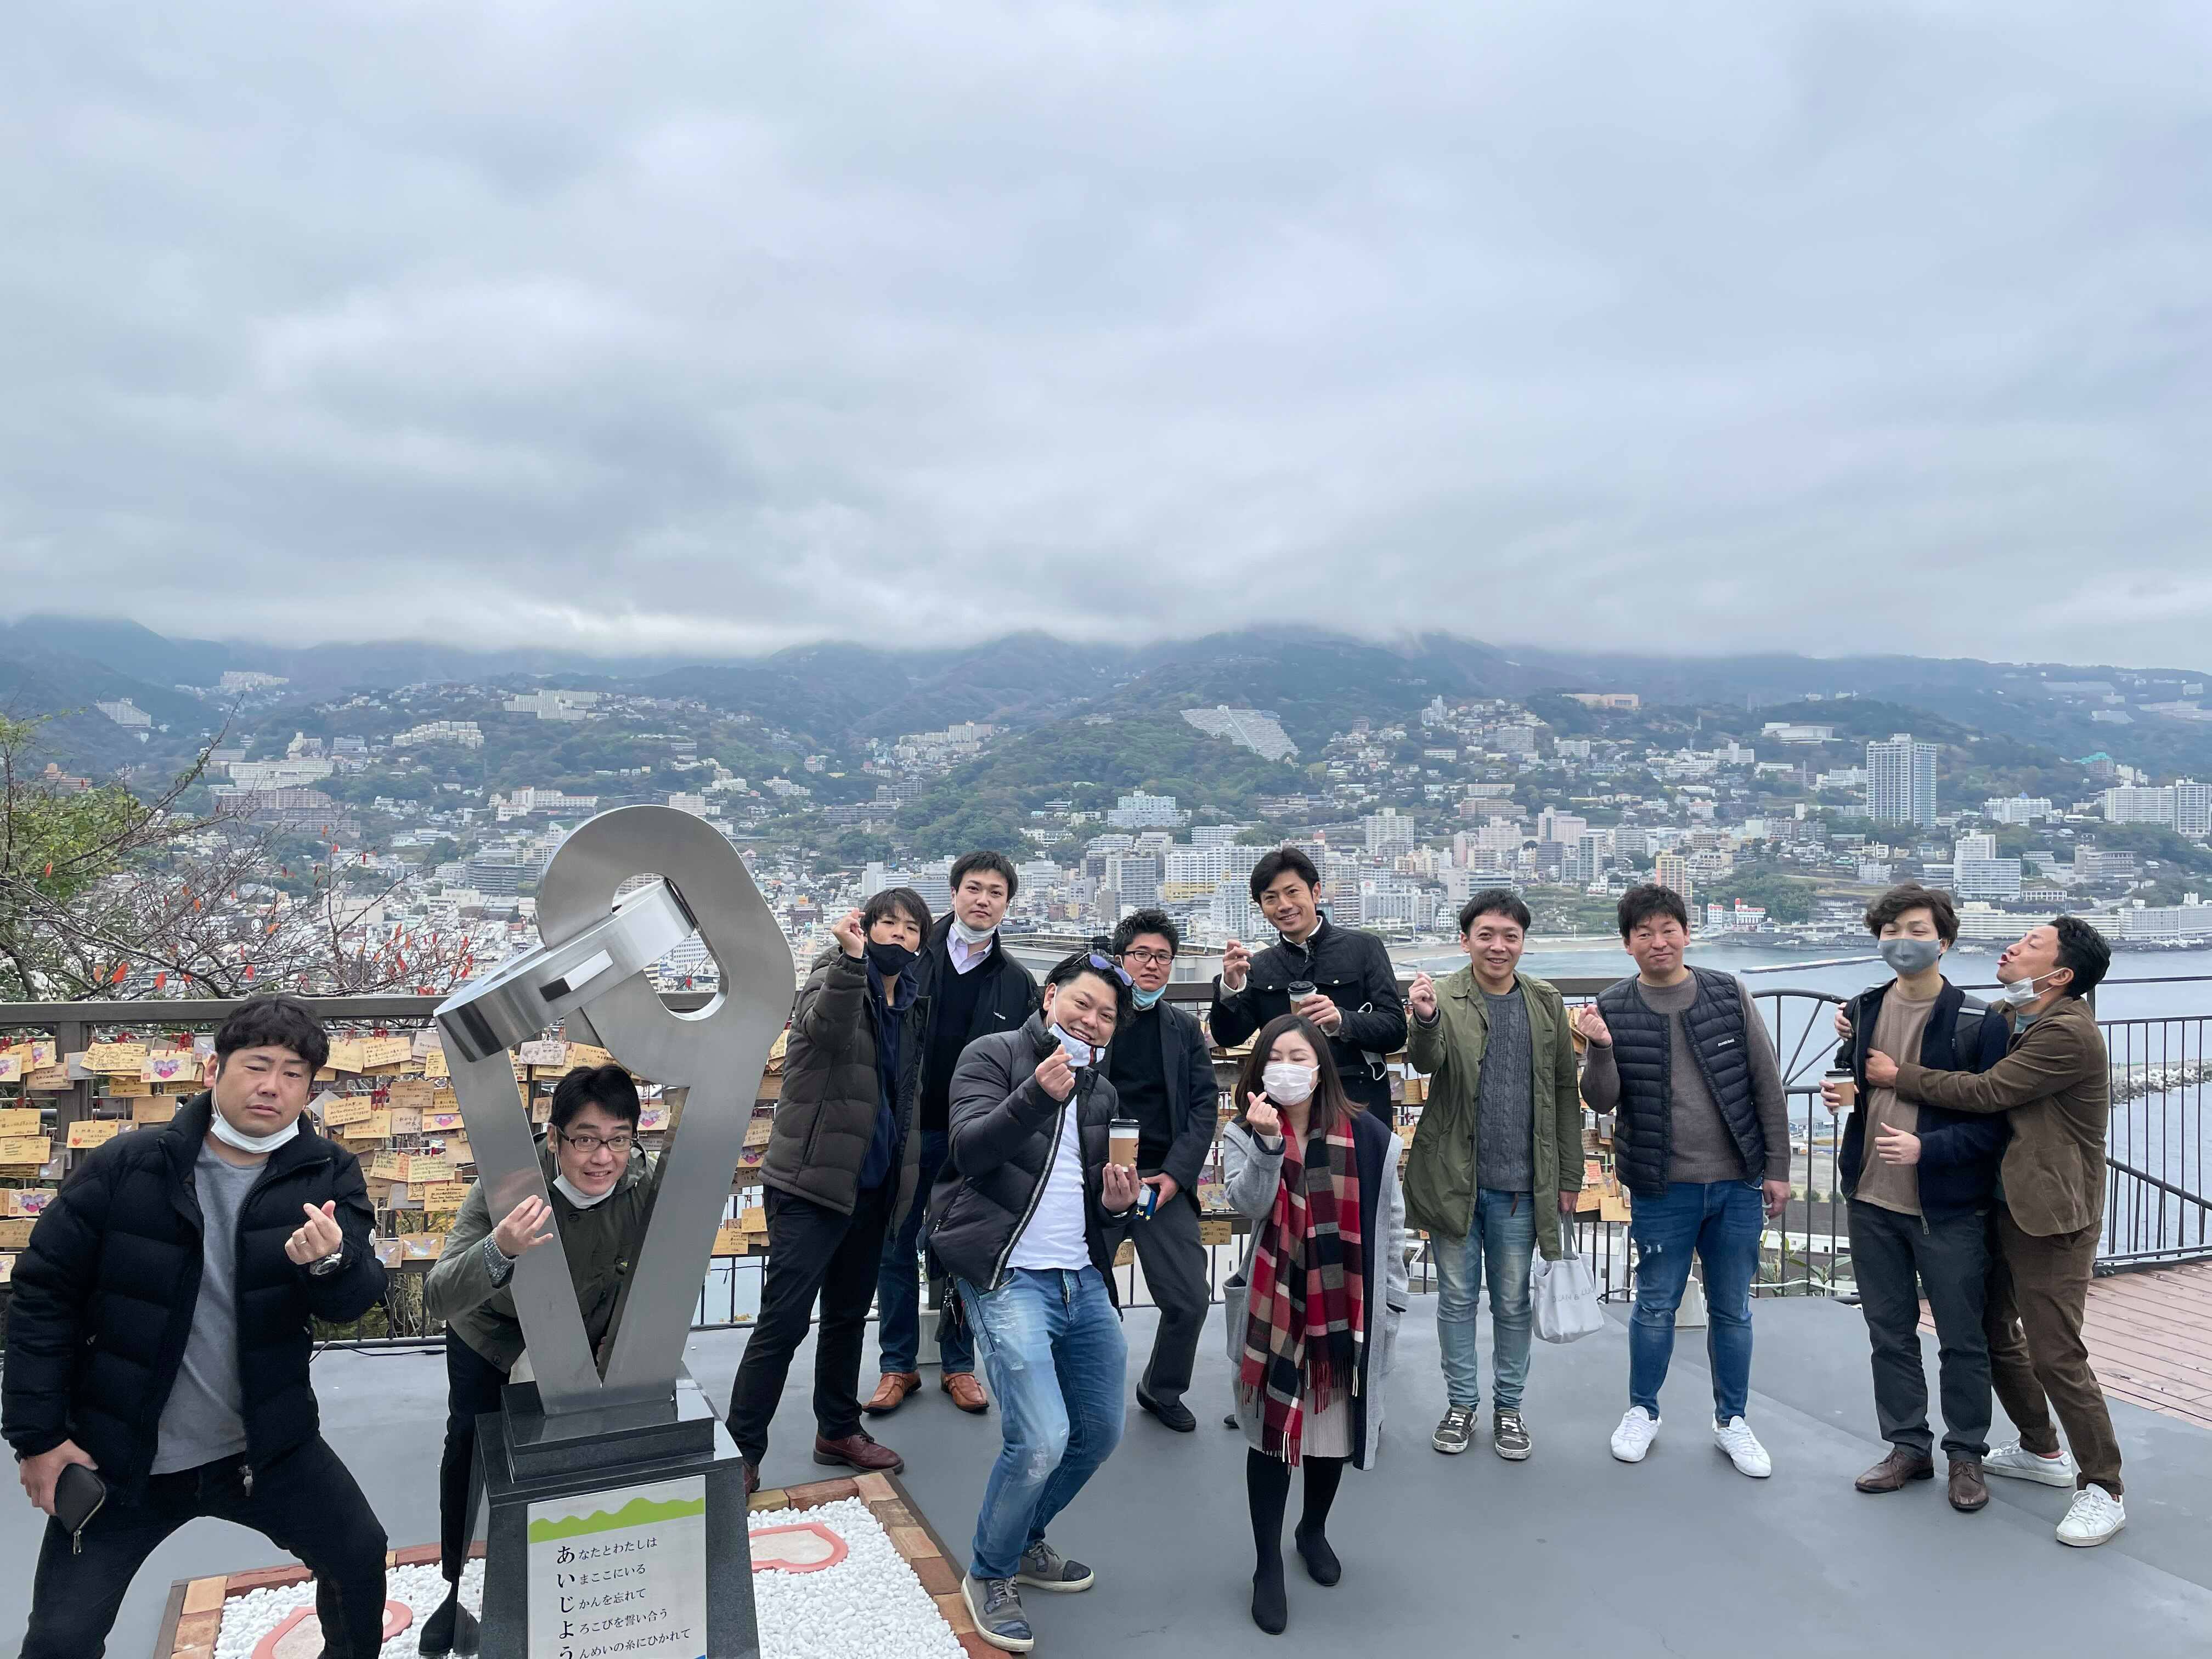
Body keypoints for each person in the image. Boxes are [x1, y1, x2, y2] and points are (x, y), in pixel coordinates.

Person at [4, 997, 390, 1659]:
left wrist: (330, 1263)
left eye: (294, 1074)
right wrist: (38, 1439)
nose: (273, 1087)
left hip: (265, 1450)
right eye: (257, 1066)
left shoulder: (326, 1172)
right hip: (122, 1458)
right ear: (216, 1070)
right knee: (61, 1638)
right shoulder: (130, 1164)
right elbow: (44, 1295)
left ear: (309, 1089)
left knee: (358, 1556)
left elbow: (352, 1301)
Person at [1865, 915, 2126, 1547]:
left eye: (2033, 944)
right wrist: (1858, 1021)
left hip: (2051, 1218)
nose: (2013, 946)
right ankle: (2040, 1449)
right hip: (2002, 1205)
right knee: (1991, 1331)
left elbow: (1988, 1090)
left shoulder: (2067, 1034)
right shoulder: (2016, 1017)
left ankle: (2104, 1487)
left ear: (2060, 975)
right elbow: (1955, 1025)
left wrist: (1897, 1075)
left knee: (2056, 1352)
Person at [927, 951, 1142, 1652]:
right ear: (1050, 997)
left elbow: (1090, 1207)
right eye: (1082, 1003)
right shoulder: (993, 1055)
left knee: (1099, 1431)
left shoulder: (1102, 1094)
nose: (1092, 1021)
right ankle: (990, 1572)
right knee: (1041, 1437)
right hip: (1007, 1273)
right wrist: (1035, 1097)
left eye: (1106, 1015)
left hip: (1080, 1277)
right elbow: (967, 1150)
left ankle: (1022, 1540)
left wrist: (1117, 1207)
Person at [421, 1062, 658, 1656]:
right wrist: (499, 1249)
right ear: (555, 1138)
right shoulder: (505, 1186)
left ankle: (573, 1576)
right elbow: (439, 1295)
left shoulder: (643, 1183)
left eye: (619, 1139)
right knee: (471, 1447)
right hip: (492, 1335)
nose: (603, 1157)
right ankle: (454, 1585)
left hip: (580, 1340)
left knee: (577, 1453)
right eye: (586, 1139)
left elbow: (660, 1265)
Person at [1574, 883, 1791, 1478]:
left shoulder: (1727, 992)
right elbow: (1601, 1099)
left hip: (1737, 1181)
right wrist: (1600, 1048)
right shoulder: (1614, 1005)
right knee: (1655, 1305)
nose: (1658, 941)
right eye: (1644, 933)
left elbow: (1766, 1084)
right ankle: (1642, 1411)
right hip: (1662, 1184)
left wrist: (1777, 1169)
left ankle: (1733, 1420)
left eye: (1668, 929)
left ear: (1687, 934)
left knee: (1733, 1308)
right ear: (1627, 944)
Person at [727, 889, 934, 1490]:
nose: (899, 935)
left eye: (912, 928)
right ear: (864, 928)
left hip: (873, 1185)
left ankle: (838, 1429)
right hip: (812, 1181)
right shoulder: (832, 977)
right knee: (784, 1321)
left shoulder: (911, 1004)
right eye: (888, 923)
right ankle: (741, 1450)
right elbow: (825, 1031)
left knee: (847, 1316)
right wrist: (850, 961)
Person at [1822, 884, 2008, 1517]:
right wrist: (1845, 1095)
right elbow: (1855, 1079)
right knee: (1889, 1331)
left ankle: (1966, 1455)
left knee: (1962, 1337)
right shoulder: (1865, 1008)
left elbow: (1993, 1124)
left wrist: (1929, 1149)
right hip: (1871, 1197)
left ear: (1945, 941)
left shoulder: (1978, 1022)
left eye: (1917, 929)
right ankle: (1907, 1446)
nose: (1903, 940)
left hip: (1947, 1207)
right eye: (1892, 930)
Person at [1222, 1014, 1408, 1636]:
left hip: (1344, 1312)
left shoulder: (1372, 1138)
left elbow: (1391, 1227)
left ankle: (1313, 1529)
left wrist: (1393, 1306)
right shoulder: (1244, 1132)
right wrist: (1268, 1145)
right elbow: (1248, 1205)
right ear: (1259, 1070)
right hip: (1274, 1311)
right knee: (1269, 1439)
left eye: (1299, 1057)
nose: (1287, 1068)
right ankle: (1266, 1563)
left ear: (1322, 1067)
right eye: (1275, 1057)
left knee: (1332, 1431)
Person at [1404, 889, 1584, 1461]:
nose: (1498, 946)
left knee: (1511, 1303)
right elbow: (1425, 1062)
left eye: (1510, 936)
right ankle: (1461, 1404)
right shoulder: (1444, 996)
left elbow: (1565, 1090)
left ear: (1524, 942)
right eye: (1486, 935)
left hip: (1522, 1186)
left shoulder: (1545, 1001)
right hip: (1454, 1180)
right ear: (1466, 940)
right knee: (1456, 1300)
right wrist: (1424, 1019)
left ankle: (1509, 1407)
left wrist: (1570, 1175)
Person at [870, 850, 1041, 1420]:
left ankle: (959, 1364)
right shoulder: (912, 958)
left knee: (960, 1248)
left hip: (973, 1136)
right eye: (974, 888)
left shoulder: (1015, 981)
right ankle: (897, 1364)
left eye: (996, 892)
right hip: (907, 1128)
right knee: (895, 1244)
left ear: (1008, 904)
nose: (983, 900)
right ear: (953, 893)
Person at [1099, 909, 1221, 1435]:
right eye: (1141, 955)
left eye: (1163, 957)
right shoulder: (1095, 1015)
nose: (1152, 965)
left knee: (1189, 1299)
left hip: (1159, 1178)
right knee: (1085, 1297)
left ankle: (1162, 1388)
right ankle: (1083, 1392)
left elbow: (1203, 1107)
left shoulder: (1183, 1028)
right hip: (1097, 1176)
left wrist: (1175, 1176)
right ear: (1119, 960)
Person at [1210, 847, 1407, 1115]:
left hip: (1356, 1104)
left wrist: (1342, 1021)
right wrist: (1230, 989)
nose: (1284, 905)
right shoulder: (1259, 966)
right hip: (1285, 1108)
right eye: (1271, 898)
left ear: (1316, 892)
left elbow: (1395, 1030)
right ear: (1262, 908)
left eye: (1292, 892)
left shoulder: (1364, 948)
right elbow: (1229, 1036)